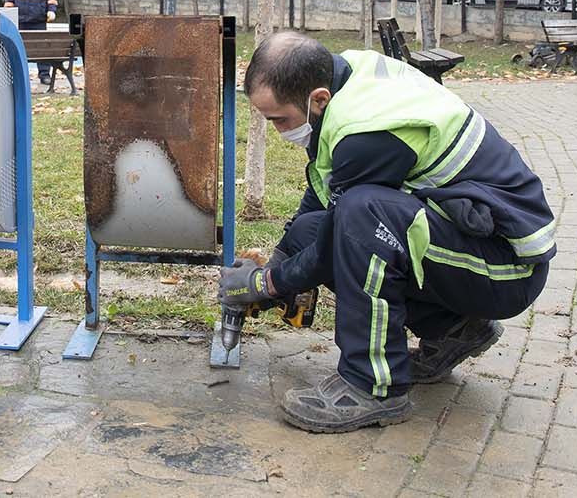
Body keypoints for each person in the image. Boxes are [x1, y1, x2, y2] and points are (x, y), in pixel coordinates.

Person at [221, 32, 555, 433]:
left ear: (318, 98)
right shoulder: (344, 78)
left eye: (279, 119)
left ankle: (372, 386)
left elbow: (335, 241)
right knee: (318, 228)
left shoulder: (365, 133)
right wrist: (281, 257)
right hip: (471, 243)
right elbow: (324, 191)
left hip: (507, 268)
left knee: (362, 217)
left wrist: (266, 283)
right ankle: (455, 331)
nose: (278, 130)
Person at [4, 0, 58, 84]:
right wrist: (8, 12)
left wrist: (51, 10)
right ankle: (20, 76)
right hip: (20, 19)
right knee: (21, 48)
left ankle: (44, 74)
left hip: (38, 19)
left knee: (40, 47)